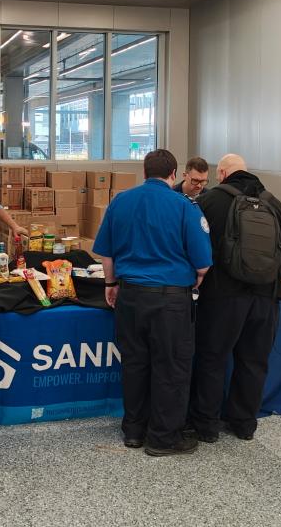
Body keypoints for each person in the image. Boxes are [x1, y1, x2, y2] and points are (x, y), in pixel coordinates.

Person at [94, 149, 212, 457]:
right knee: (170, 367)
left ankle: (133, 431)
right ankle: (162, 438)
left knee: (134, 364)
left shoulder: (120, 201)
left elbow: (106, 251)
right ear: (174, 174)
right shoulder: (184, 206)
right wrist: (195, 279)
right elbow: (202, 263)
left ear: (144, 172)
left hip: (130, 295)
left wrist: (110, 283)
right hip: (170, 300)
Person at [188, 153, 281, 443]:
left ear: (221, 174)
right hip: (266, 297)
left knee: (212, 359)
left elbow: (196, 248)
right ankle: (244, 423)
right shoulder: (276, 204)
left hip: (222, 297)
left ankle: (207, 425)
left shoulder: (210, 203)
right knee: (254, 362)